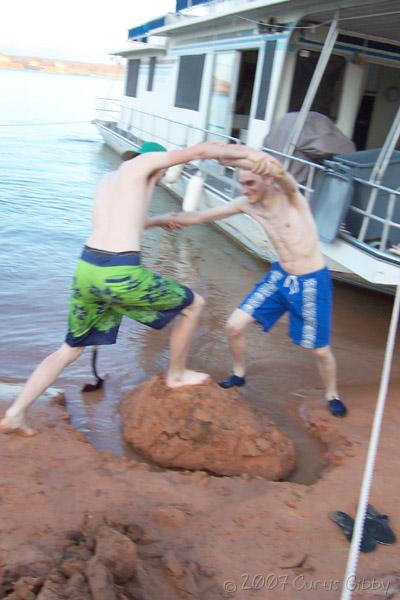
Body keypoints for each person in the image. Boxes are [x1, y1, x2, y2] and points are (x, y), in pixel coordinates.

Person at [0, 139, 248, 436]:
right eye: (161, 172)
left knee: (68, 350)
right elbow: (199, 150)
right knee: (193, 304)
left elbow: (120, 222)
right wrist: (243, 156)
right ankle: (177, 375)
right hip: (119, 272)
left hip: (87, 269)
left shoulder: (109, 180)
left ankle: (16, 412)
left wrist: (159, 221)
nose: (158, 182)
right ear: (157, 162)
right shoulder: (145, 164)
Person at [158, 144, 347, 417]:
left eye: (250, 183)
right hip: (280, 276)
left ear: (266, 179)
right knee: (233, 326)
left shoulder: (292, 198)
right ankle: (239, 373)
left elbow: (283, 175)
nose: (245, 190)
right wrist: (162, 221)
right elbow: (202, 216)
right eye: (242, 184)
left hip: (311, 282)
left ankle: (332, 393)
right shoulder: (247, 204)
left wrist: (255, 160)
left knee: (320, 350)